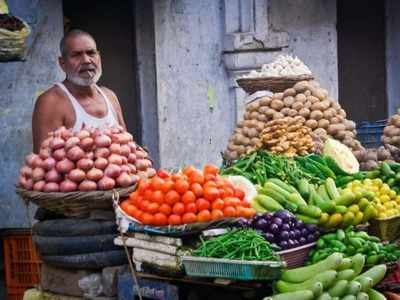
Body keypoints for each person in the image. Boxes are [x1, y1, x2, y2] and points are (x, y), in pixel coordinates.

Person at [32, 29, 127, 153]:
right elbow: (42, 162)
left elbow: (127, 146)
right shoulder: (51, 102)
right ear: (62, 63)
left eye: (91, 53)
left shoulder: (110, 97)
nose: (86, 60)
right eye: (76, 55)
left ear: (99, 57)